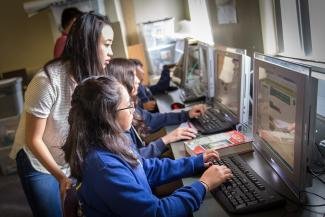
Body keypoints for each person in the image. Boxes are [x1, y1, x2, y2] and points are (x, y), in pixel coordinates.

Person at [63, 76, 233, 217]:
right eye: (128, 105)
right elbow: (156, 213)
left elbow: (144, 168)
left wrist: (195, 162)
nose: (133, 109)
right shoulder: (103, 165)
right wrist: (203, 185)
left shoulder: (112, 138)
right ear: (108, 115)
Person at [9, 12, 114, 217]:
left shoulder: (93, 78)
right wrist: (61, 177)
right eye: (107, 44)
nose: (111, 52)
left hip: (65, 156)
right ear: (88, 44)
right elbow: (33, 140)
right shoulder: (47, 81)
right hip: (37, 159)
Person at [107, 58, 206, 158]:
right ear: (120, 83)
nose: (137, 80)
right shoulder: (119, 121)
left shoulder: (133, 108)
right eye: (132, 75)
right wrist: (166, 139)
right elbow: (135, 160)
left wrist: (186, 114)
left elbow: (153, 119)